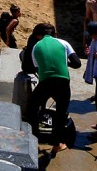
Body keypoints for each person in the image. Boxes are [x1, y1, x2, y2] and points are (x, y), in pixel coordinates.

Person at [25, 23, 75, 154]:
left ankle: (33, 141)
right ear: (55, 35)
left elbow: (36, 67)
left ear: (40, 36)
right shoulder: (64, 43)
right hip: (63, 82)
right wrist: (64, 62)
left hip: (46, 82)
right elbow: (77, 63)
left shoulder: (36, 46)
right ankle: (57, 144)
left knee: (32, 108)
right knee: (61, 112)